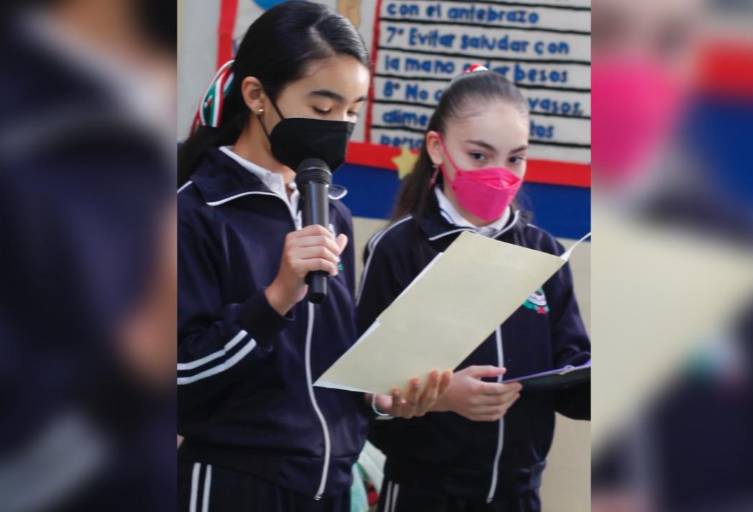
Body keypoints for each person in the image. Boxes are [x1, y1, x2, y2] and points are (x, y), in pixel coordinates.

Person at [177, 2, 449, 511]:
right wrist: (276, 298)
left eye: (352, 112)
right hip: (234, 485)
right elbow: (177, 379)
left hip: (328, 485)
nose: (338, 126)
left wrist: (377, 399)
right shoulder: (193, 212)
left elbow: (324, 366)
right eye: (323, 109)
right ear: (256, 95)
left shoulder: (332, 213)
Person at [357, 66, 591, 512]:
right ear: (437, 148)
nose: (498, 174)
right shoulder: (399, 248)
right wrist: (443, 399)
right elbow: (362, 388)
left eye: (515, 158)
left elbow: (572, 378)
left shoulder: (543, 251)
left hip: (517, 495)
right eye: (479, 155)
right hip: (422, 494)